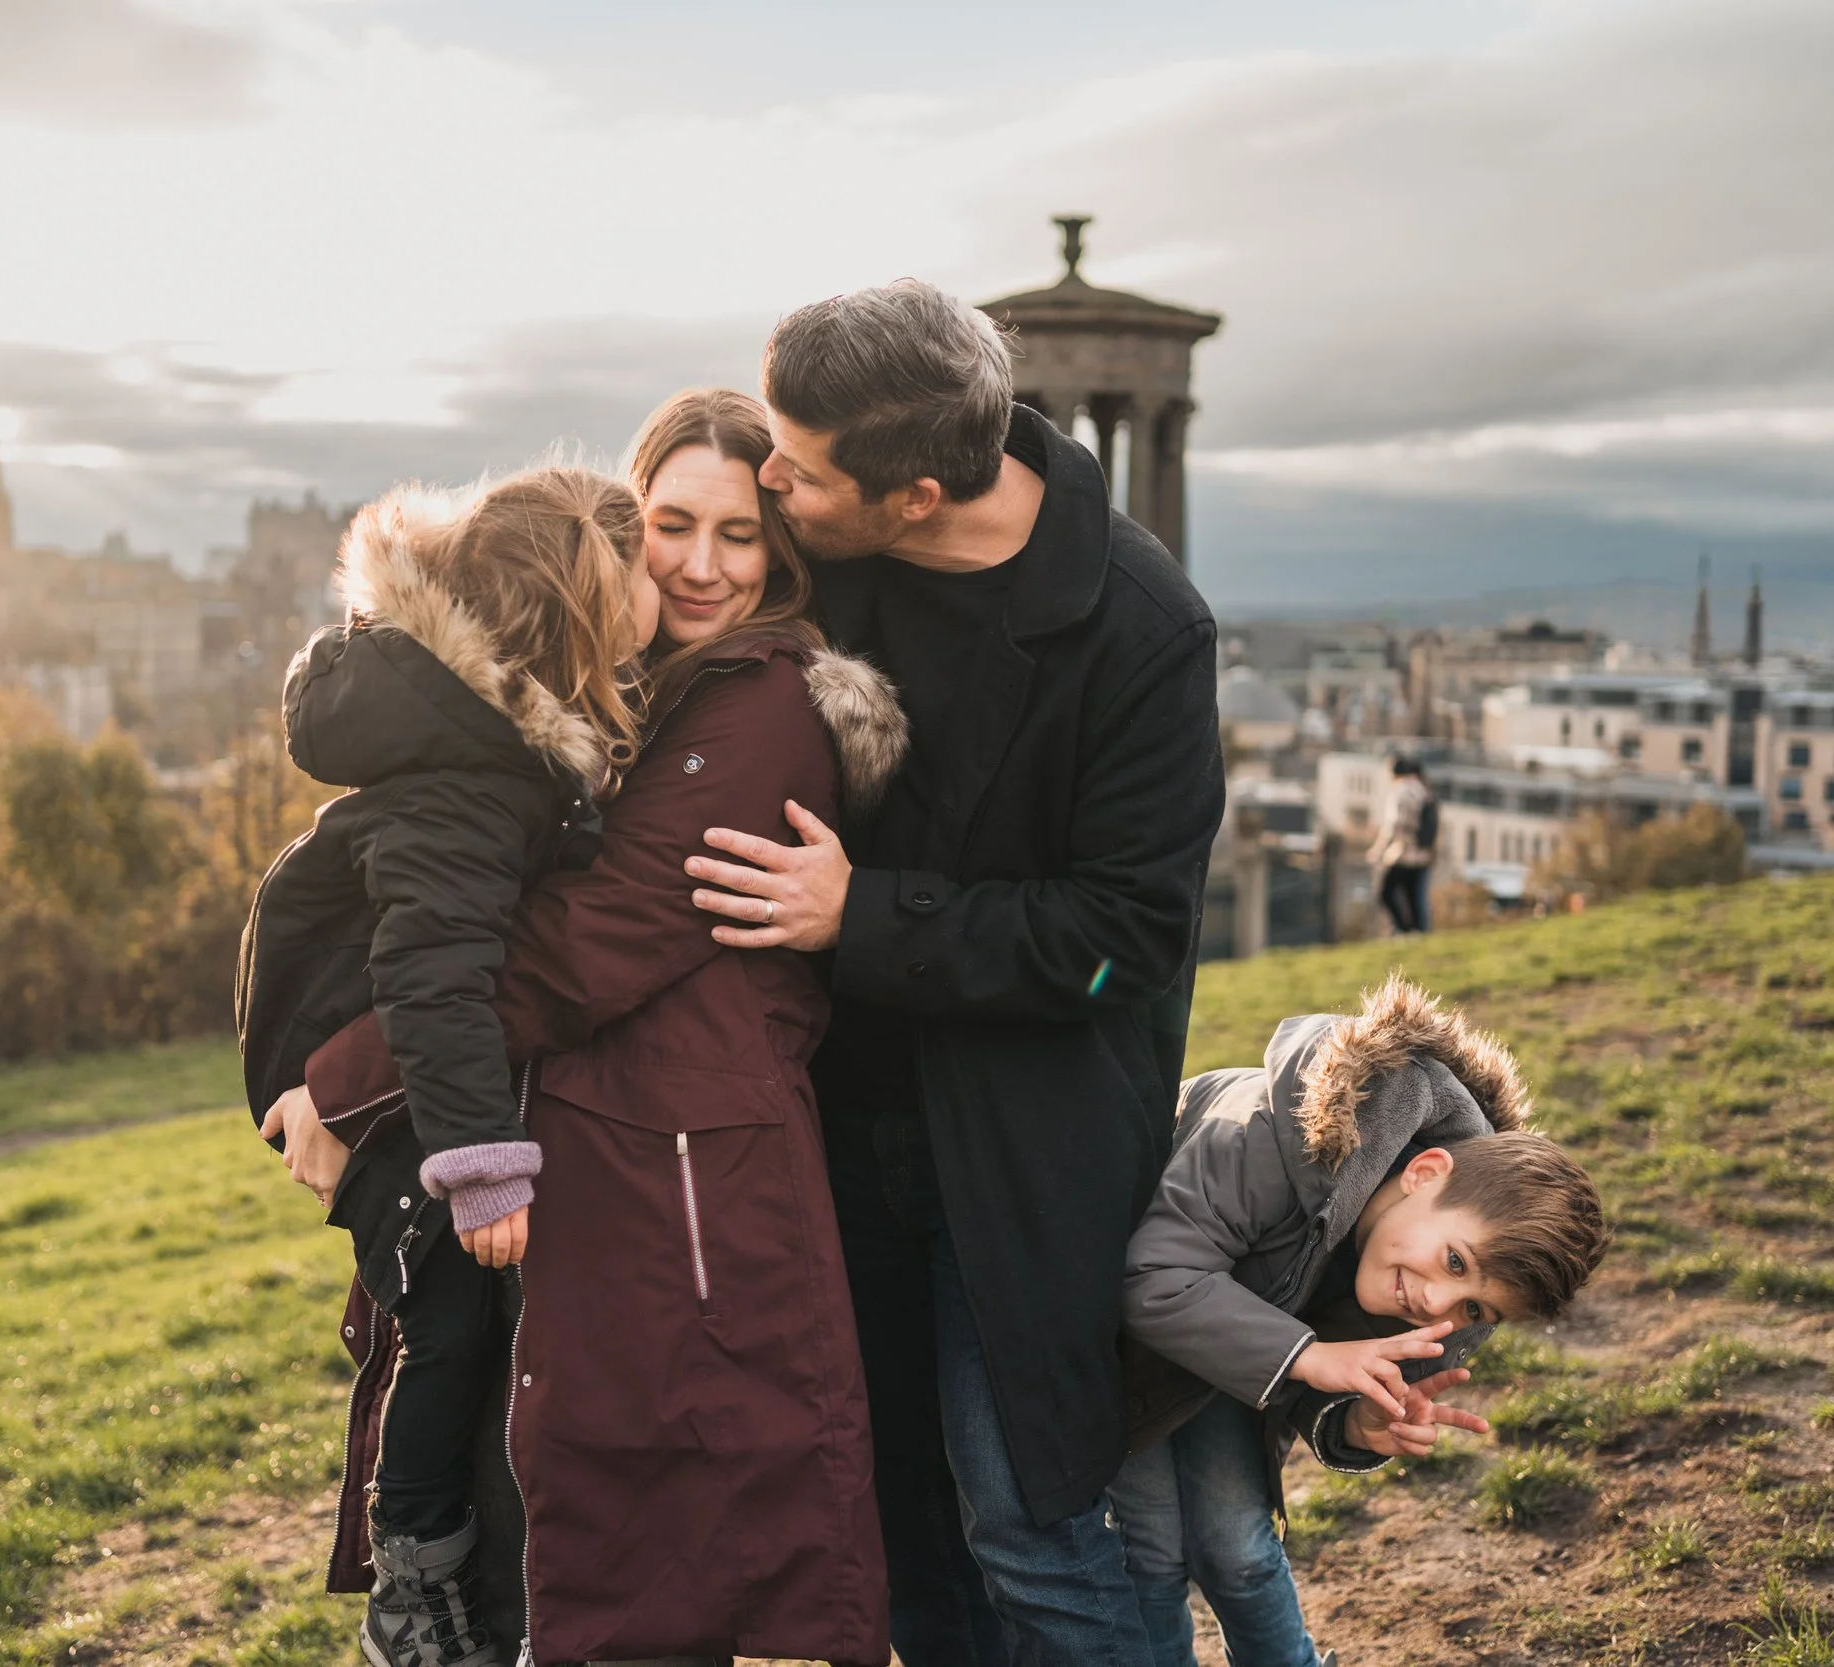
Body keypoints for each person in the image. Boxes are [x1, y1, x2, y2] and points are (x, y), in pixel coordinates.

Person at [281, 390, 905, 1665]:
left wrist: (344, 1081)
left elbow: (585, 941)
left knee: (659, 1558)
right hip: (610, 1160)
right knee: (587, 1538)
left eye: (741, 537)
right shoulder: (594, 694)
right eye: (670, 524)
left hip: (683, 1177)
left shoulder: (756, 704)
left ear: (781, 556)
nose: (699, 563)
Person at [685, 281, 1226, 1664]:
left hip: (1019, 1150)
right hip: (824, 1131)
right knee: (888, 1521)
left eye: (795, 465)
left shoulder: (1144, 629)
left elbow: (1123, 945)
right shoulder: (820, 545)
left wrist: (861, 917)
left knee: (1029, 1526)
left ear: (913, 491)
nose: (768, 478)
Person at [235, 465, 654, 1667]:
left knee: (459, 1320)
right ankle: (412, 1583)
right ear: (577, 602)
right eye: (638, 578)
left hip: (396, 1076)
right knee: (452, 1320)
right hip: (376, 1093)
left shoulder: (482, 737)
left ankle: (436, 1572)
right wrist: (483, 1168)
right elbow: (431, 972)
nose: (661, 595)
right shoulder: (470, 775)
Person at [1116, 976, 1612, 1667]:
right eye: (1453, 1261)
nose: (1441, 1304)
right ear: (1424, 1172)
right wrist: (1310, 1357)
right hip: (1120, 1332)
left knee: (1238, 1546)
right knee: (1153, 1548)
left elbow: (1327, 1385)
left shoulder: (1440, 1294)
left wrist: (1359, 1421)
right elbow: (1150, 1276)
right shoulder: (1270, 1132)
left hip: (1241, 1354)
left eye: (1476, 1308)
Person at [1370, 755, 1435, 934]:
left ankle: (1404, 929)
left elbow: (1393, 825)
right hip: (1423, 853)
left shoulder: (1400, 792)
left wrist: (1379, 849)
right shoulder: (1423, 790)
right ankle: (1418, 932)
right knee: (1414, 896)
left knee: (1385, 892)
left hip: (1403, 852)